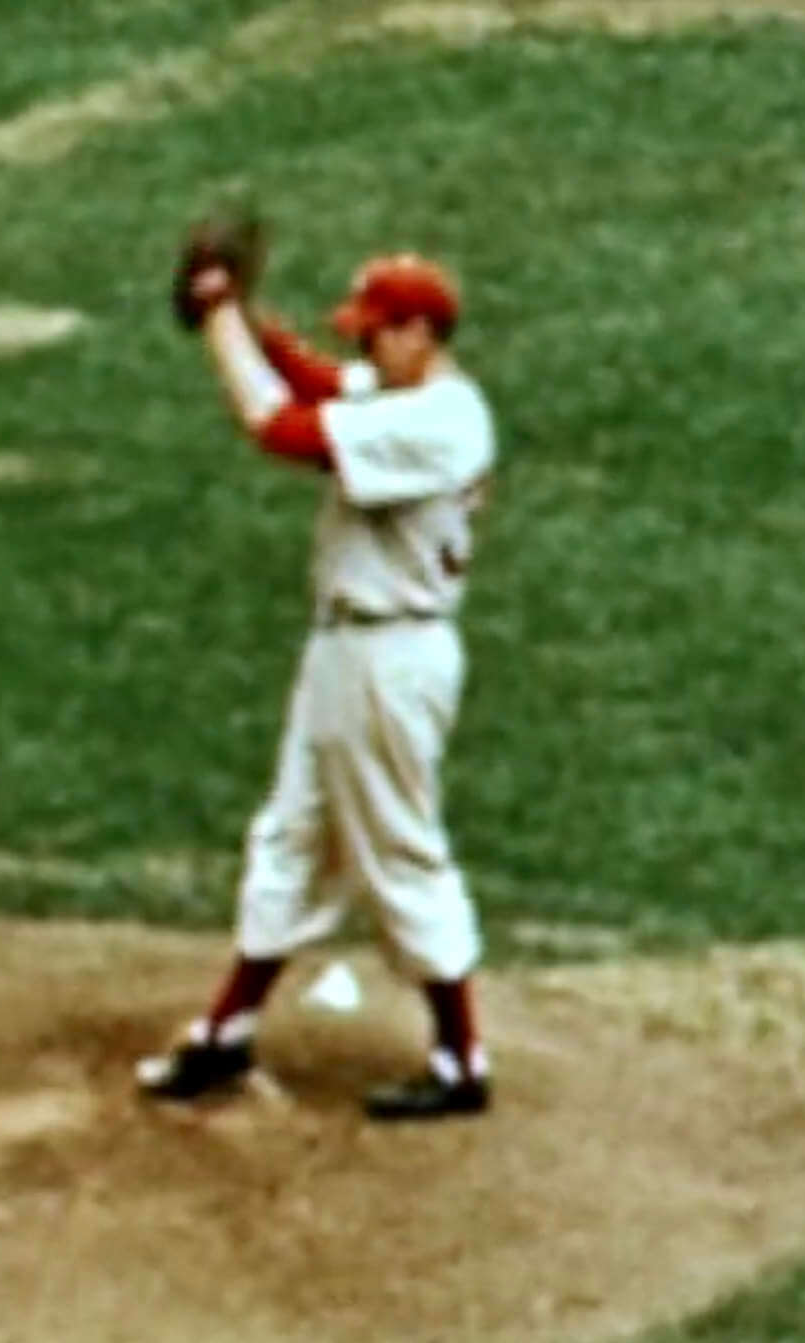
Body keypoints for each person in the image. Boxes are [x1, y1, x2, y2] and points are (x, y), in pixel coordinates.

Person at [136, 252, 498, 1121]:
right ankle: (227, 1031)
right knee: (291, 834)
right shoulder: (404, 393)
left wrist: (220, 325)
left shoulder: (441, 422)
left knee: (403, 849)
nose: (366, 345)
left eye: (377, 330)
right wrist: (249, 313)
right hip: (346, 653)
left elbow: (277, 423)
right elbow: (317, 378)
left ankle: (460, 1057)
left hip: (392, 660)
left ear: (422, 333)